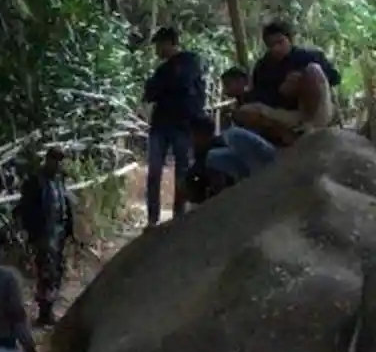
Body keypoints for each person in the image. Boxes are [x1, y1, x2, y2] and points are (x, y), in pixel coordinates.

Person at [206, 63, 333, 182]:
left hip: (279, 152)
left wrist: (277, 130)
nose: (226, 90)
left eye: (228, 84)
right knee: (213, 156)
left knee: (234, 134)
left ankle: (264, 178)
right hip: (261, 151)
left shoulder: (259, 99)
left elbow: (276, 126)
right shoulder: (241, 106)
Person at [142, 26, 206, 226]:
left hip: (183, 125)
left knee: (182, 171)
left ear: (169, 43)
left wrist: (163, 86)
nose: (156, 50)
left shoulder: (190, 61)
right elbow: (150, 93)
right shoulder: (162, 69)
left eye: (159, 45)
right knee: (154, 172)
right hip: (161, 125)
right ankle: (152, 219)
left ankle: (178, 216)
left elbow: (181, 82)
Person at [13, 146, 75, 328]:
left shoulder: (60, 180)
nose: (58, 164)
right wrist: (29, 231)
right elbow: (26, 208)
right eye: (55, 160)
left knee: (56, 270)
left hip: (59, 231)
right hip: (43, 232)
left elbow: (65, 205)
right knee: (46, 272)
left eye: (60, 161)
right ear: (48, 160)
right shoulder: (36, 181)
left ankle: (49, 309)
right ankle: (45, 312)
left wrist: (69, 230)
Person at [249, 20, 340, 111]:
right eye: (271, 45)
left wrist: (304, 79)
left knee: (313, 69)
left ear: (290, 40)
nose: (276, 49)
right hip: (286, 113)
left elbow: (335, 78)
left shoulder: (310, 56)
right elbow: (258, 95)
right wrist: (280, 92)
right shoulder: (263, 67)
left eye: (279, 42)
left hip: (316, 111)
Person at [184, 115, 232, 206]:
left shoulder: (215, 153)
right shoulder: (202, 151)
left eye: (193, 135)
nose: (190, 140)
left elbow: (219, 182)